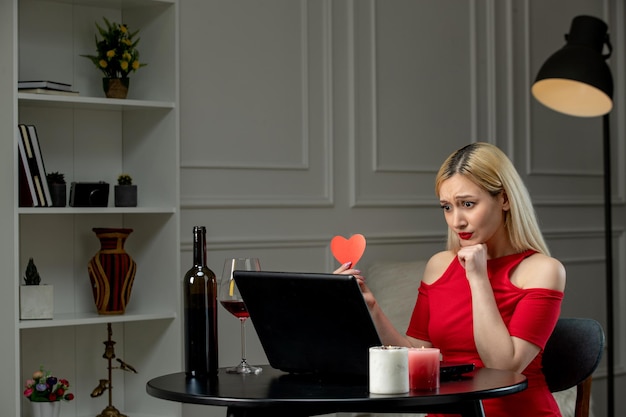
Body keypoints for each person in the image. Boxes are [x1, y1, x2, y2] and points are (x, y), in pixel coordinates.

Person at [336, 142, 566, 417]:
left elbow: (505, 367)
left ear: (504, 199)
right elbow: (417, 356)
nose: (457, 221)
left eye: (468, 204)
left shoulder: (543, 270)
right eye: (447, 207)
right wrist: (371, 307)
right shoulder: (439, 265)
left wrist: (478, 278)